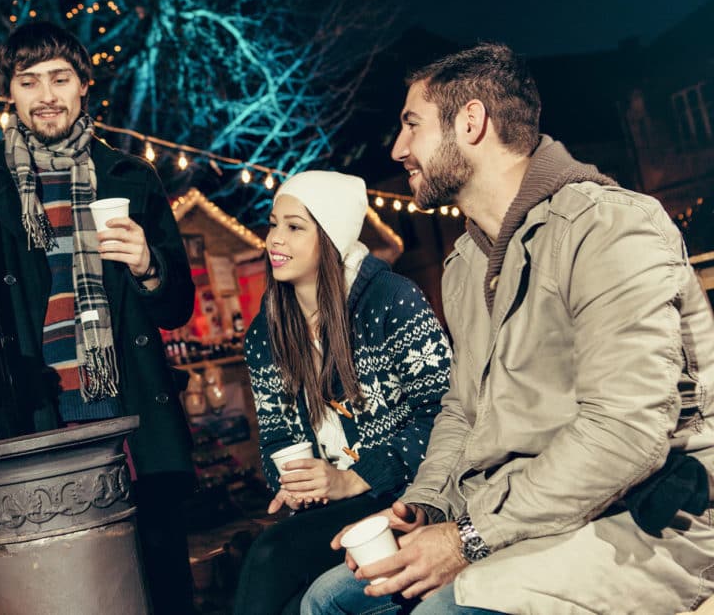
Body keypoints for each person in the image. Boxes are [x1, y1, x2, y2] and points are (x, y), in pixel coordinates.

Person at [302, 43, 714, 615]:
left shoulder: (610, 227)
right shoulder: (466, 263)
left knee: (441, 611)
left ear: (471, 122)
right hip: (528, 512)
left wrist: (469, 537)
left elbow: (624, 432)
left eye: (411, 125)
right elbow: (463, 410)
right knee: (331, 600)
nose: (398, 149)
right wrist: (428, 507)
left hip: (650, 516)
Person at [0, 21, 197, 613]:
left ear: (83, 87)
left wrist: (149, 263)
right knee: (65, 590)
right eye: (29, 81)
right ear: (10, 94)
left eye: (60, 78)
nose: (46, 94)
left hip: (128, 418)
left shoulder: (132, 177)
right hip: (36, 419)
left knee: (155, 585)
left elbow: (177, 308)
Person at [233, 170, 452, 614]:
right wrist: (294, 483)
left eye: (294, 227)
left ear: (330, 237)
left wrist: (353, 477)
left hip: (404, 496)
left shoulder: (392, 300)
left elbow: (447, 414)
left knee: (270, 556)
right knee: (290, 599)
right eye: (273, 223)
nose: (274, 239)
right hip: (326, 512)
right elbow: (275, 438)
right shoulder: (267, 332)